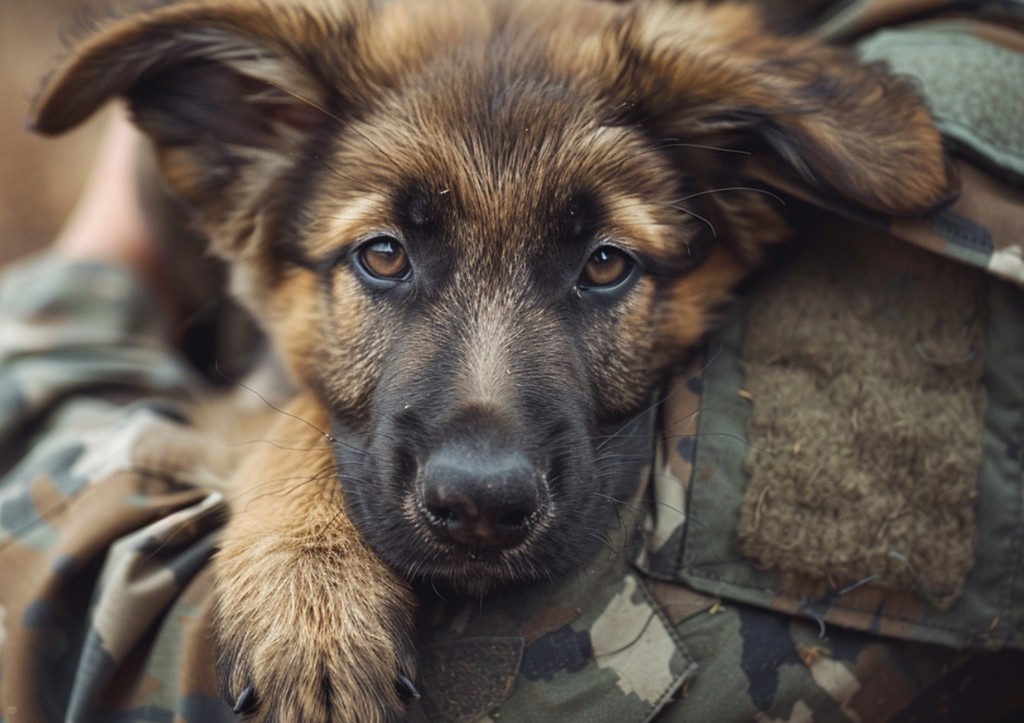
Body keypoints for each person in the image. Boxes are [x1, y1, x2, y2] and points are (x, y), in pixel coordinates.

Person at [2, 2, 1023, 721]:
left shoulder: (952, 119)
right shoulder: (344, 104)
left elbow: (121, 675)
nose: (480, 475)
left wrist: (95, 270)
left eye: (606, 263)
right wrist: (308, 471)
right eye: (385, 255)